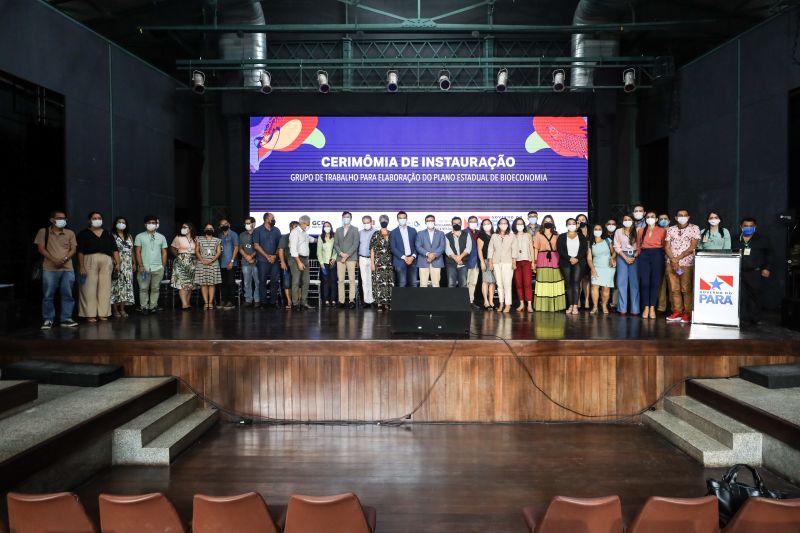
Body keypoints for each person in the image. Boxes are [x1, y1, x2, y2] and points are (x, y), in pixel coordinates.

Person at [34, 209, 78, 329]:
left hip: (67, 268)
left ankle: (66, 318)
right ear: (52, 220)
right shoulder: (43, 232)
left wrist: (63, 259)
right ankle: (48, 319)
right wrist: (54, 260)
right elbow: (41, 249)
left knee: (67, 294)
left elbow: (73, 249)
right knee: (48, 294)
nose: (62, 220)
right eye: (59, 218)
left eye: (64, 218)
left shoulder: (70, 233)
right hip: (49, 268)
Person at [77, 211, 120, 323]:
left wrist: (118, 263)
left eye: (99, 218)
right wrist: (81, 266)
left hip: (106, 261)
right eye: (94, 218)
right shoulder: (83, 233)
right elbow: (80, 251)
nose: (97, 220)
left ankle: (103, 313)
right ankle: (90, 314)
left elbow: (115, 249)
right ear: (89, 221)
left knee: (105, 288)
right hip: (89, 260)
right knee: (89, 288)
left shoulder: (107, 233)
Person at [733, 217, 772, 326]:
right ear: (741, 227)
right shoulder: (735, 239)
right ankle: (741, 319)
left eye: (751, 226)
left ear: (755, 227)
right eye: (746, 226)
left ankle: (755, 319)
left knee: (755, 296)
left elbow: (769, 254)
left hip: (755, 272)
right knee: (740, 296)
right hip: (738, 272)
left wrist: (767, 268)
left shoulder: (762, 239)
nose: (748, 228)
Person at [665, 209, 700, 323]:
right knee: (674, 289)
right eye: (680, 215)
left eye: (685, 215)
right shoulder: (671, 229)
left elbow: (693, 246)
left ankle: (688, 313)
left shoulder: (694, 228)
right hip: (671, 263)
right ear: (676, 218)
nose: (683, 217)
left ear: (688, 217)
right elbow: (667, 246)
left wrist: (677, 259)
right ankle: (677, 311)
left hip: (686, 263)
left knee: (686, 289)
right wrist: (673, 260)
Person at [134, 215, 168, 314]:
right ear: (145, 224)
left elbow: (164, 252)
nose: (151, 225)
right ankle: (144, 307)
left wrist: (163, 266)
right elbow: (137, 252)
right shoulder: (139, 236)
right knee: (143, 288)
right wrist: (140, 265)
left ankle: (153, 306)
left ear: (156, 224)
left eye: (153, 223)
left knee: (155, 288)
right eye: (149, 223)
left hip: (158, 267)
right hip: (144, 267)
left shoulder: (161, 237)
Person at [637, 211, 666, 320]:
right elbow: (638, 244)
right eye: (648, 217)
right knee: (645, 282)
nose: (650, 218)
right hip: (644, 256)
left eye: (652, 217)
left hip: (657, 255)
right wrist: (639, 254)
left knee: (655, 282)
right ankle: (646, 307)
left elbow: (664, 245)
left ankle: (652, 307)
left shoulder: (662, 231)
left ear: (657, 219)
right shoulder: (640, 230)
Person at [533, 215, 566, 312]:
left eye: (550, 221)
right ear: (543, 223)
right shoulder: (538, 234)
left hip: (555, 259)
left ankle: (555, 306)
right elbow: (536, 249)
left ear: (553, 223)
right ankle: (542, 306)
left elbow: (560, 249)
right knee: (543, 282)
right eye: (546, 221)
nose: (548, 222)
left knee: (555, 281)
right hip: (542, 258)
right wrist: (534, 262)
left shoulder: (557, 234)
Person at [557, 218, 588, 315]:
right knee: (569, 283)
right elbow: (560, 249)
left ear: (576, 225)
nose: (571, 225)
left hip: (578, 262)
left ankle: (575, 306)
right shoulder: (562, 236)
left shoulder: (581, 236)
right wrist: (569, 258)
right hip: (566, 262)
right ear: (566, 225)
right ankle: (570, 305)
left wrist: (577, 258)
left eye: (573, 223)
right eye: (569, 224)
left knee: (576, 283)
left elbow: (584, 249)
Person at [253, 212, 282, 309]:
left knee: (275, 281)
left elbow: (280, 245)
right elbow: (256, 246)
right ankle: (263, 302)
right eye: (272, 218)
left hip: (274, 261)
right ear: (266, 219)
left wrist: (274, 256)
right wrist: (267, 256)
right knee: (262, 281)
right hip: (262, 261)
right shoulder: (257, 230)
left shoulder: (276, 230)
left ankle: (273, 302)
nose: (274, 219)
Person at [614, 214, 640, 316]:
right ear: (622, 221)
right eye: (625, 219)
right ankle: (622, 308)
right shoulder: (618, 231)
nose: (627, 221)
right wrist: (625, 258)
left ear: (633, 221)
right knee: (621, 283)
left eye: (629, 219)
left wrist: (634, 256)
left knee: (634, 284)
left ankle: (635, 309)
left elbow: (640, 245)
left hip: (635, 256)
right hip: (622, 256)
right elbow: (616, 245)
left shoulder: (638, 231)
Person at [488, 218, 516, 313]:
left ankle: (508, 305)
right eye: (501, 223)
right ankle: (501, 304)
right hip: (496, 263)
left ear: (508, 225)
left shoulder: (511, 236)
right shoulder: (494, 236)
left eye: (505, 223)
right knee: (499, 285)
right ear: (498, 225)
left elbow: (514, 250)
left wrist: (514, 262)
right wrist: (490, 262)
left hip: (508, 263)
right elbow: (490, 249)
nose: (503, 224)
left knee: (507, 284)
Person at [587, 224, 616, 314]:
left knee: (606, 288)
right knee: (594, 286)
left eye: (600, 229)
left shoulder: (608, 240)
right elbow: (589, 258)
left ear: (602, 231)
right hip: (596, 267)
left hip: (608, 268)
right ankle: (595, 307)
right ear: (593, 231)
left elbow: (614, 252)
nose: (598, 230)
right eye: (596, 229)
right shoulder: (590, 243)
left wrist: (612, 258)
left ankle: (604, 306)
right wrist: (593, 269)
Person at [289, 215, 316, 309]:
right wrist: (299, 262)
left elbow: (311, 239)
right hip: (297, 259)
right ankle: (295, 304)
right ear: (303, 223)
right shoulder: (295, 232)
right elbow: (293, 250)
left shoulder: (304, 233)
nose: (309, 226)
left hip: (305, 259)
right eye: (308, 224)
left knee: (306, 281)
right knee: (296, 282)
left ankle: (304, 302)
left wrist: (322, 239)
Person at [111, 216, 135, 318]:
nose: (121, 223)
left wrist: (134, 263)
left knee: (125, 287)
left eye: (123, 222)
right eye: (119, 222)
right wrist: (116, 263)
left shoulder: (129, 236)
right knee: (116, 287)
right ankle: (115, 310)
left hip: (128, 265)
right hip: (117, 264)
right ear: (115, 224)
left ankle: (122, 309)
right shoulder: (112, 236)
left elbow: (132, 251)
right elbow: (111, 250)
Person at [334, 211, 360, 308]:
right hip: (340, 258)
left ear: (351, 218)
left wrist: (347, 255)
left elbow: (355, 244)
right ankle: (341, 301)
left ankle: (351, 300)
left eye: (348, 217)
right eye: (344, 217)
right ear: (342, 218)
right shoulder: (338, 230)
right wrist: (341, 254)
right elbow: (335, 244)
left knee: (351, 280)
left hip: (351, 258)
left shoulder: (355, 229)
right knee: (340, 280)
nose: (346, 218)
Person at [194, 223, 222, 310]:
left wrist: (211, 260)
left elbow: (219, 252)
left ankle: (210, 302)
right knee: (204, 284)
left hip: (213, 264)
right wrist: (202, 260)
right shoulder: (199, 239)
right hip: (202, 263)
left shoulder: (217, 240)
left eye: (211, 228)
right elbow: (196, 251)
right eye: (207, 228)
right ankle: (206, 303)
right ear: (204, 230)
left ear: (213, 230)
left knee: (212, 284)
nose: (209, 229)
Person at [170, 222, 197, 311]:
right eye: (182, 227)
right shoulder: (178, 237)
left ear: (190, 228)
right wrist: (178, 256)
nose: (183, 228)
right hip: (181, 262)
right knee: (182, 283)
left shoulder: (195, 239)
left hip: (193, 263)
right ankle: (184, 304)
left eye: (185, 227)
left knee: (190, 285)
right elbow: (172, 248)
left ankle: (187, 303)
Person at [415, 215, 446, 288]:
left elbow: (442, 246)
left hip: (437, 261)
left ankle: (436, 299)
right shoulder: (420, 233)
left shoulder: (441, 233)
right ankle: (423, 299)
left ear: (434, 222)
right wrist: (428, 254)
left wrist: (433, 255)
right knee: (423, 284)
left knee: (436, 284)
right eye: (428, 221)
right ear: (425, 222)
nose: (430, 222)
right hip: (423, 261)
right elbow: (418, 246)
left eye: (432, 220)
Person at [370, 220, 394, 311]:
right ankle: (380, 303)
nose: (384, 222)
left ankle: (388, 302)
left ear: (388, 222)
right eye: (382, 221)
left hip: (389, 263)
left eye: (385, 221)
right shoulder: (376, 234)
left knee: (389, 282)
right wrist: (372, 263)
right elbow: (372, 249)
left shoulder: (392, 233)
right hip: (378, 262)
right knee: (378, 283)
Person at [512, 217, 535, 312]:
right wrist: (513, 262)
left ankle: (529, 304)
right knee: (518, 283)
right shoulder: (512, 236)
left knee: (527, 283)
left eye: (521, 224)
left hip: (527, 261)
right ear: (514, 225)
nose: (520, 226)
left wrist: (533, 262)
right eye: (518, 224)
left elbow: (531, 249)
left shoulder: (528, 235)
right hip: (516, 262)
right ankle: (521, 304)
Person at [390, 211, 418, 288]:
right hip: (400, 261)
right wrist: (405, 258)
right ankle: (402, 300)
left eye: (404, 218)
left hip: (413, 260)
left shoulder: (413, 230)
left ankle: (414, 300)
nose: (402, 219)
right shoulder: (393, 232)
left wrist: (412, 257)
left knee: (414, 284)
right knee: (402, 283)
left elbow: (417, 246)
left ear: (406, 219)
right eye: (400, 218)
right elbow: (393, 248)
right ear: (397, 219)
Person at [216, 217, 239, 309]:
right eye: (221, 224)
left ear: (229, 224)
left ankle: (231, 302)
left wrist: (232, 261)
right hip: (222, 263)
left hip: (231, 263)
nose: (223, 225)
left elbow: (236, 247)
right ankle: (224, 301)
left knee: (231, 283)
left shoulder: (233, 235)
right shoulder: (219, 236)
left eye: (225, 224)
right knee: (223, 283)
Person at [356, 215, 377, 308]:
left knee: (372, 280)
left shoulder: (376, 232)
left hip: (373, 259)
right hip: (362, 258)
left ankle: (373, 300)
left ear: (371, 222)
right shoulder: (359, 233)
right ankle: (366, 301)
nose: (366, 224)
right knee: (364, 280)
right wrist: (357, 259)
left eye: (367, 222)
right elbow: (357, 246)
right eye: (364, 223)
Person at [445, 216, 472, 289]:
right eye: (454, 223)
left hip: (463, 263)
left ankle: (462, 300)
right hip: (451, 264)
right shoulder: (447, 236)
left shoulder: (466, 234)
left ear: (461, 224)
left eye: (458, 223)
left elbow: (468, 248)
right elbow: (447, 249)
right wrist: (456, 258)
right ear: (451, 224)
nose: (456, 224)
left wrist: (460, 258)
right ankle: (451, 300)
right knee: (451, 284)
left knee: (463, 285)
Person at [238, 217, 260, 307]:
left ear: (254, 224)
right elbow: (240, 248)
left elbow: (260, 247)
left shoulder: (258, 233)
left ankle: (257, 300)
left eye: (248, 223)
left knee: (257, 282)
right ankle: (248, 299)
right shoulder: (242, 235)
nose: (247, 225)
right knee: (247, 282)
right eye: (246, 223)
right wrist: (247, 256)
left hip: (257, 262)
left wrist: (252, 256)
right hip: (245, 262)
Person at [278, 221, 299, 309]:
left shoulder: (301, 236)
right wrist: (282, 262)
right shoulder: (285, 237)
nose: (296, 229)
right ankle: (289, 301)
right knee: (287, 283)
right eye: (295, 227)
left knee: (298, 283)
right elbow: (281, 250)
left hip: (298, 263)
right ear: (290, 227)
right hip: (287, 263)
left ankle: (297, 301)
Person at [317, 221, 337, 307]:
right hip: (324, 263)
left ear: (331, 227)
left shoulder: (334, 237)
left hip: (332, 262)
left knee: (333, 281)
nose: (327, 227)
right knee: (325, 282)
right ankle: (326, 299)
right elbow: (319, 252)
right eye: (325, 226)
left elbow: (336, 249)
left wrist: (334, 258)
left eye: (328, 226)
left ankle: (333, 299)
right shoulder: (320, 237)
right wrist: (321, 263)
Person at [477, 219, 496, 310]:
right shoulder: (481, 235)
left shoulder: (495, 234)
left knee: (493, 282)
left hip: (495, 261)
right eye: (485, 224)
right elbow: (479, 250)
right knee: (486, 281)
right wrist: (482, 262)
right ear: (482, 226)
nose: (487, 225)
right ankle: (485, 301)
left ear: (491, 225)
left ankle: (491, 300)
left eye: (488, 223)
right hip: (485, 260)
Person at [657, 213, 673, 314]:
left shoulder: (674, 230)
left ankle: (673, 307)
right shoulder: (656, 231)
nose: (663, 220)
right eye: (661, 219)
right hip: (659, 259)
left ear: (669, 220)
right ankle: (661, 307)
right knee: (660, 284)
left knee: (672, 284)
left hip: (671, 260)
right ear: (658, 221)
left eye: (665, 218)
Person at [576, 213, 591, 309]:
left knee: (586, 281)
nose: (582, 221)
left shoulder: (591, 232)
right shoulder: (575, 232)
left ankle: (586, 300)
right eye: (579, 219)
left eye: (583, 219)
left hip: (588, 259)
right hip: (578, 259)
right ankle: (577, 301)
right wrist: (576, 228)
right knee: (578, 281)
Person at [465, 216, 481, 308]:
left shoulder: (479, 233)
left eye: (475, 221)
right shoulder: (464, 232)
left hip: (477, 262)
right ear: (468, 222)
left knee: (473, 282)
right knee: (465, 283)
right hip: (466, 261)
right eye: (471, 221)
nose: (473, 223)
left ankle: (471, 301)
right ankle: (464, 301)